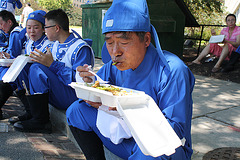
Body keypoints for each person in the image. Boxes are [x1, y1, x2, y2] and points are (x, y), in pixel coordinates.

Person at [66, 0, 195, 159]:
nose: (115, 52)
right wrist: (90, 84)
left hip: (162, 146)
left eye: (124, 42)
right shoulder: (114, 66)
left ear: (146, 40)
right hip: (126, 137)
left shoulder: (172, 71)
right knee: (76, 111)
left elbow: (173, 131)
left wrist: (122, 112)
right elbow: (99, 90)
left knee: (151, 153)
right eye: (110, 42)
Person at [13, 9, 95, 133]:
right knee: (24, 67)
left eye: (46, 27)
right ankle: (32, 113)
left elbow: (80, 81)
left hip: (73, 96)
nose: (45, 31)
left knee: (37, 69)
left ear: (56, 28)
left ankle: (41, 121)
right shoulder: (55, 44)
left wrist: (52, 65)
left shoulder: (80, 48)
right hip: (59, 90)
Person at [6, 10, 53, 124]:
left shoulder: (48, 44)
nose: (32, 31)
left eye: (36, 27)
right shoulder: (29, 43)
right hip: (30, 79)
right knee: (17, 70)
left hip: (46, 83)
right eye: (28, 27)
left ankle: (40, 118)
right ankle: (30, 112)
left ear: (43, 28)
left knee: (34, 69)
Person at [0, 10, 26, 120]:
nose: (0, 27)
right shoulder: (12, 32)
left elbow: (13, 56)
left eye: (1, 24)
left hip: (22, 68)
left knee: (5, 77)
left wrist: (6, 55)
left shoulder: (16, 32)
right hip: (19, 65)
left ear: (9, 22)